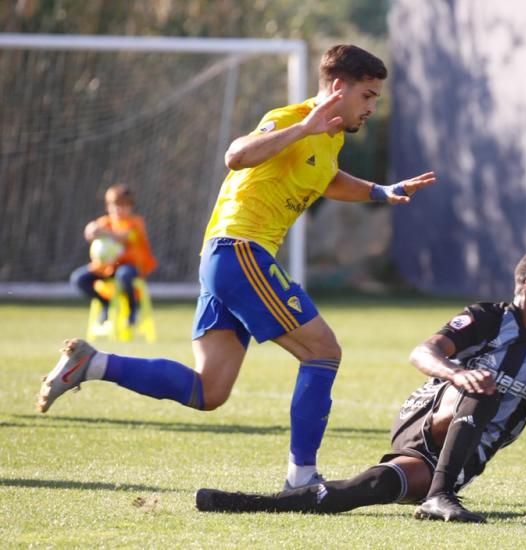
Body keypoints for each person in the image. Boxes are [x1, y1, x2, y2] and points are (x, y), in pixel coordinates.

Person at [36, 44, 437, 490]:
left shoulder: (332, 137)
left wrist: (381, 191)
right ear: (339, 87)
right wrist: (303, 127)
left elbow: (325, 179)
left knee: (209, 390)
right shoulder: (293, 117)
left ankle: (93, 364)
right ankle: (302, 478)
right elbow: (237, 154)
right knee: (323, 351)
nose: (372, 107)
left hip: (225, 260)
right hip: (240, 250)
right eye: (368, 95)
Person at [194, 250, 526, 522]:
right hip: (428, 417)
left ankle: (242, 503)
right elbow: (423, 352)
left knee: (373, 487)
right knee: (483, 385)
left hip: (462, 455)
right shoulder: (486, 318)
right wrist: (458, 373)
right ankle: (441, 498)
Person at [69, 184, 158, 327]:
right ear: (108, 206)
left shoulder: (136, 223)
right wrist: (90, 230)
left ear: (130, 207)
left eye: (123, 206)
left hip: (130, 266)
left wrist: (103, 232)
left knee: (124, 275)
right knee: (79, 279)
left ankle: (132, 309)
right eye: (115, 205)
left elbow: (124, 237)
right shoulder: (105, 222)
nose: (118, 209)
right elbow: (90, 234)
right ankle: (106, 304)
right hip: (106, 267)